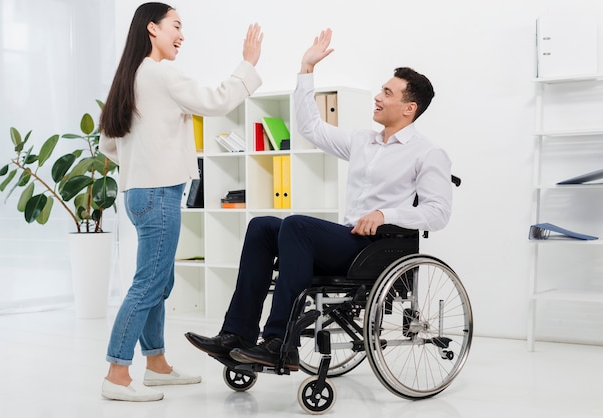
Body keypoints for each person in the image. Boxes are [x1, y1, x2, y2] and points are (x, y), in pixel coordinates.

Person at [186, 28, 451, 371]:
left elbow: (438, 213)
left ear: (408, 108)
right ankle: (236, 335)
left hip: (375, 248)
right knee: (262, 226)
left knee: (297, 225)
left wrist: (385, 214)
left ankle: (281, 342)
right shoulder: (362, 141)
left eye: (387, 92)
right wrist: (306, 70)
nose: (378, 96)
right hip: (346, 238)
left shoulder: (427, 153)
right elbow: (310, 128)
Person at [98, 3, 263, 402]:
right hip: (158, 193)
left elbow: (108, 143)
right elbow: (215, 101)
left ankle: (155, 364)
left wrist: (144, 157)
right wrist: (248, 64)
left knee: (159, 280)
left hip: (140, 193)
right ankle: (117, 374)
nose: (182, 35)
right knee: (149, 283)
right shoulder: (160, 73)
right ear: (152, 28)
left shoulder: (131, 76)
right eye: (176, 26)